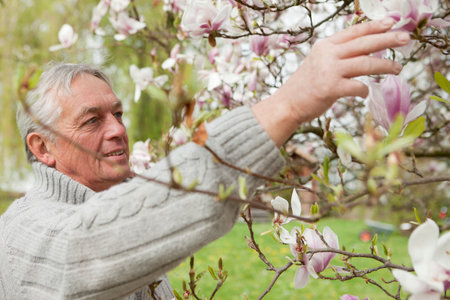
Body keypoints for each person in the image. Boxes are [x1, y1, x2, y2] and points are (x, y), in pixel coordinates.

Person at [0, 19, 409, 299]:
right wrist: (288, 105)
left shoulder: (105, 201)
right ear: (42, 148)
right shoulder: (21, 232)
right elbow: (86, 249)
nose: (118, 129)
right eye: (92, 120)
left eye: (118, 114)